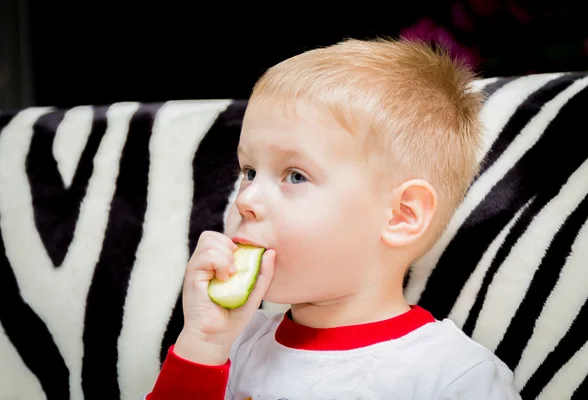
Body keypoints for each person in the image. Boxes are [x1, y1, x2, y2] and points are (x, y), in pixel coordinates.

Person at [145, 37, 522, 400]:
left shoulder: (453, 378)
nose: (246, 199)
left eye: (295, 175)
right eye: (248, 171)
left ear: (401, 215)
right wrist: (203, 344)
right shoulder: (233, 345)